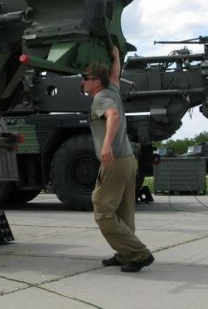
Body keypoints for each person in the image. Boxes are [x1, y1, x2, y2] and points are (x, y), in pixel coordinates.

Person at [81, 46, 154, 273]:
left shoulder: (101, 97)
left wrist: (106, 145)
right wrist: (115, 57)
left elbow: (112, 115)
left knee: (103, 211)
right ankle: (126, 254)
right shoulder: (112, 89)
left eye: (85, 78)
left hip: (113, 161)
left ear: (96, 82)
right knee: (124, 212)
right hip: (128, 160)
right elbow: (115, 74)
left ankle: (139, 254)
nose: (82, 82)